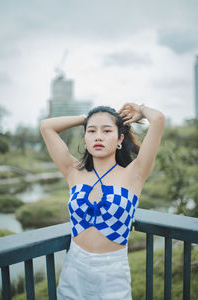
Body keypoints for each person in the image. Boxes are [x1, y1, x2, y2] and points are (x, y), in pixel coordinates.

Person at [40, 102, 166, 300]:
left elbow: (158, 120)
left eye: (107, 131)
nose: (98, 136)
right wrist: (87, 117)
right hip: (74, 268)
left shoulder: (134, 173)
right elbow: (46, 126)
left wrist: (140, 110)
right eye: (91, 131)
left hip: (113, 274)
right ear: (86, 137)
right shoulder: (74, 171)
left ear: (120, 138)